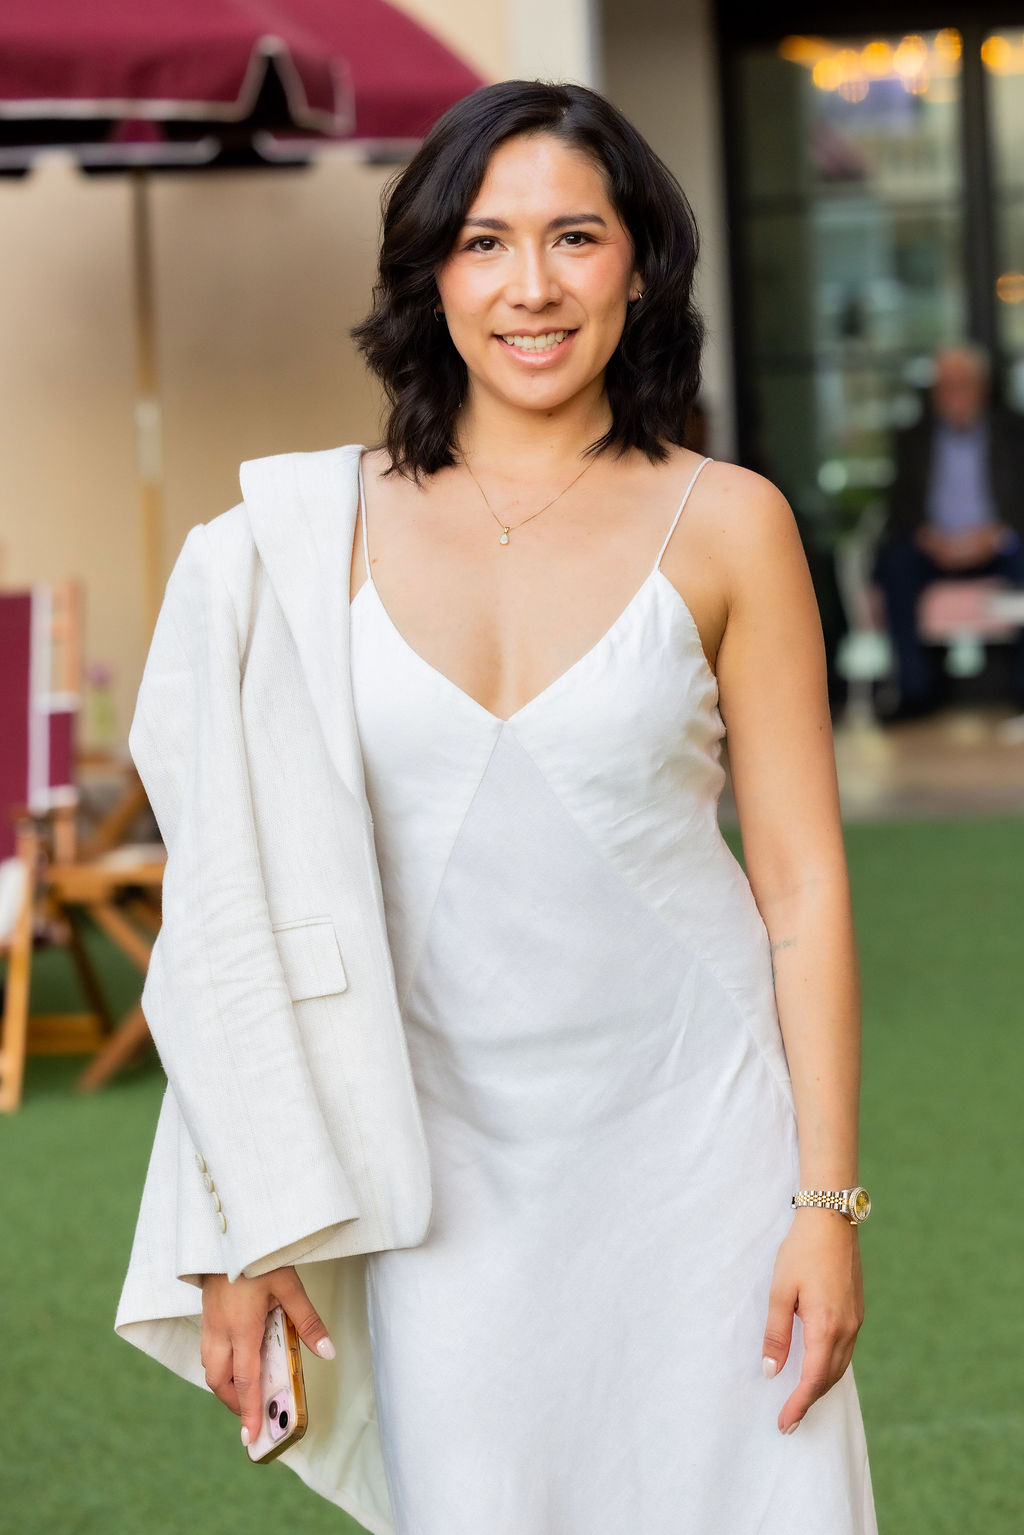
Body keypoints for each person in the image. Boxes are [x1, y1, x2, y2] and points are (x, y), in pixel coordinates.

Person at [115, 81, 876, 1535]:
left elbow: (801, 885)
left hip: (702, 1145)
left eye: (575, 236)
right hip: (431, 1167)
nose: (533, 286)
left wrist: (823, 1203)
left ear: (639, 265)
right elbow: (227, 921)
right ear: (430, 274)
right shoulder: (291, 543)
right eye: (484, 241)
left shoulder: (732, 521)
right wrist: (232, 1221)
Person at [874, 344, 1024, 719]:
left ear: (982, 387)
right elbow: (899, 506)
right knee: (896, 561)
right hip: (932, 549)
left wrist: (996, 534)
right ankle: (915, 690)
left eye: (962, 385)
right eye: (943, 386)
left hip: (999, 545)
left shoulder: (1013, 432)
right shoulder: (913, 439)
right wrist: (928, 537)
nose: (952, 395)